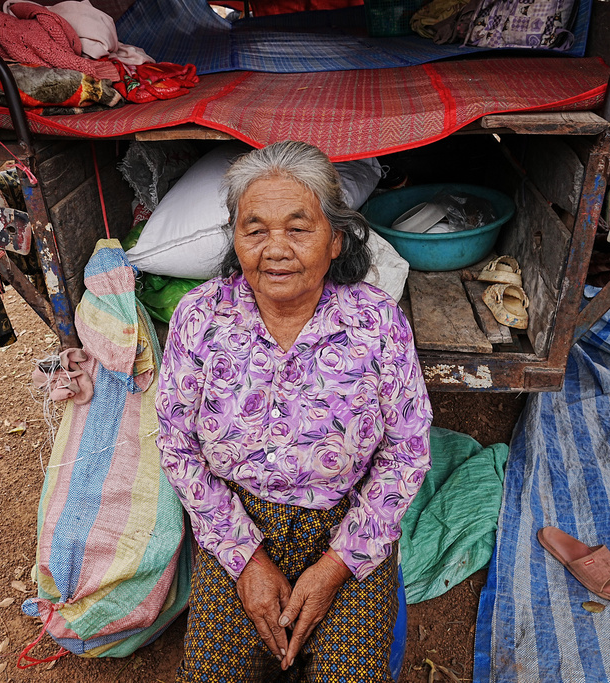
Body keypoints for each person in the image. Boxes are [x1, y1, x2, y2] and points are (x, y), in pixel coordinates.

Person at [156, 140, 432, 682]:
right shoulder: (201, 318)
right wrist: (244, 557)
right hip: (235, 522)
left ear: (335, 241)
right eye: (254, 229)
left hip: (346, 524)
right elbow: (175, 443)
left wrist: (336, 565)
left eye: (298, 228)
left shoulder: (375, 321)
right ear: (235, 240)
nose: (274, 249)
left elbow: (409, 448)